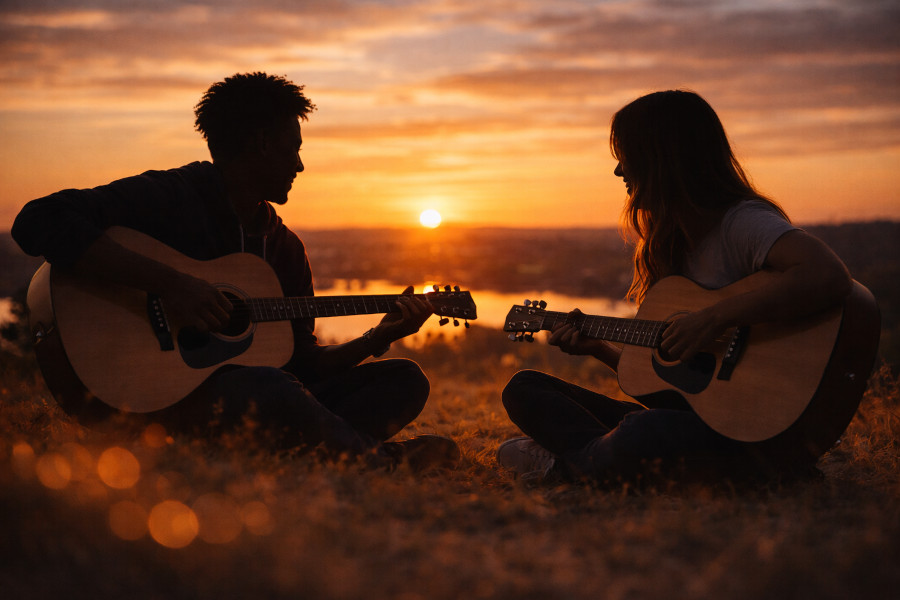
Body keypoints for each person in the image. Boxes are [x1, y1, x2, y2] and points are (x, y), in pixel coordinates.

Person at [12, 72, 459, 471]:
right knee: (266, 386)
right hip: (154, 405)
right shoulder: (172, 197)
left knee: (403, 380)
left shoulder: (282, 249)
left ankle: (295, 447)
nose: (299, 166)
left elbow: (303, 366)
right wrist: (172, 284)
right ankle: (379, 463)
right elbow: (38, 220)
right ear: (262, 144)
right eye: (293, 149)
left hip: (252, 403)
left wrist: (376, 338)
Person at [498, 90, 857, 486]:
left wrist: (714, 317)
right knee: (525, 387)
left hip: (758, 434)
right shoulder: (676, 243)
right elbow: (679, 390)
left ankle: (567, 466)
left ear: (664, 158)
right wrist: (598, 348)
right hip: (703, 425)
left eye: (627, 155)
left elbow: (828, 274)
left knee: (640, 433)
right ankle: (595, 458)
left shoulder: (742, 223)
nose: (619, 172)